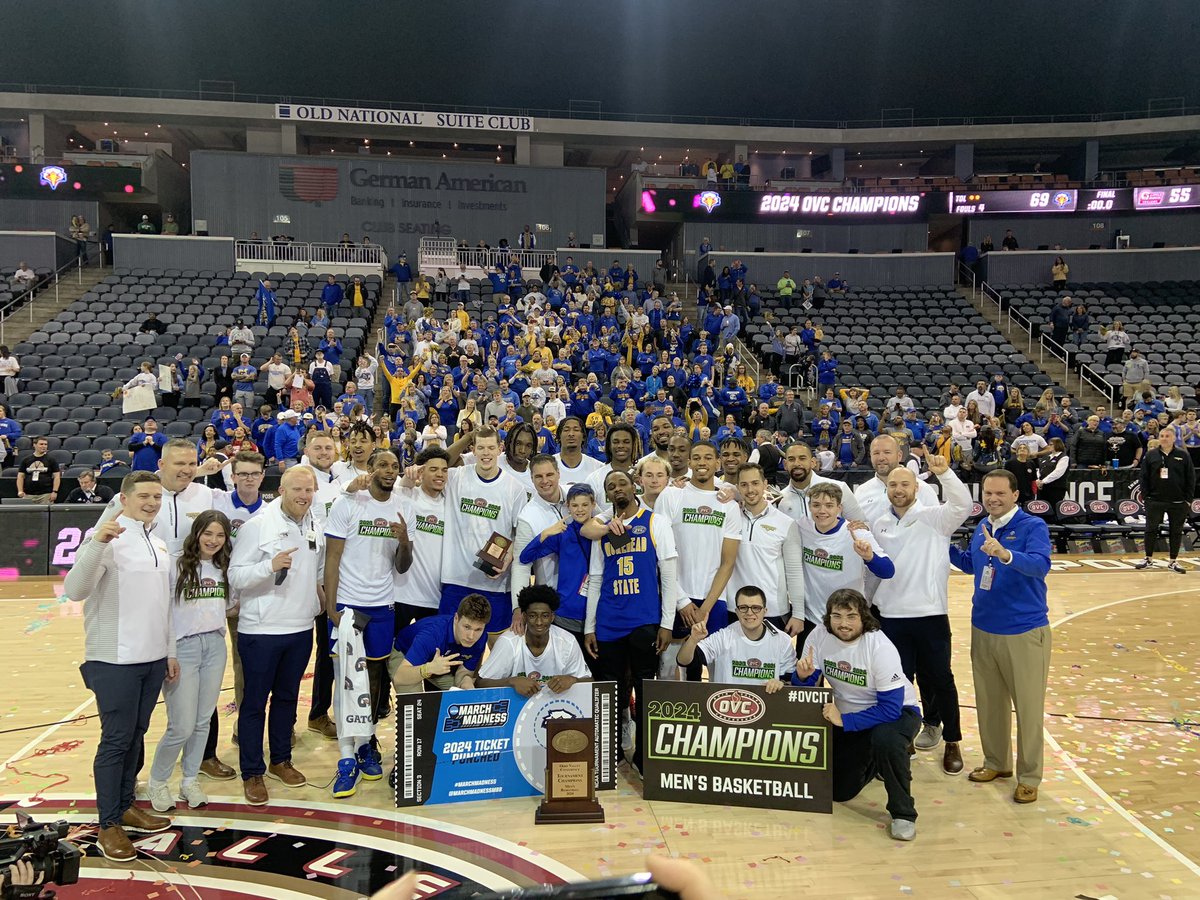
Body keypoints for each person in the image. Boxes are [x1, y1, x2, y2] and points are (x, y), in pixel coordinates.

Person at [63, 472, 176, 861]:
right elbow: (75, 590)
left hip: (152, 658)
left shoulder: (158, 541)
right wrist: (97, 542)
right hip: (113, 659)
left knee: (136, 734)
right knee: (115, 740)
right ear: (124, 499)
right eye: (144, 495)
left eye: (157, 497)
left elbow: (165, 605)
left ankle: (126, 803)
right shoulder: (105, 537)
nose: (151, 502)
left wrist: (169, 650)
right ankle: (108, 823)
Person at [949, 469, 1051, 804]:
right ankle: (997, 762)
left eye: (1000, 494)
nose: (992, 499)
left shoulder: (1031, 526)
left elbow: (1040, 565)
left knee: (1028, 708)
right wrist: (941, 545)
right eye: (988, 494)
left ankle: (1030, 776)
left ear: (1015, 495)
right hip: (984, 627)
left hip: (1023, 630)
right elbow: (970, 565)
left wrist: (1006, 554)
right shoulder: (983, 528)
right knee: (990, 703)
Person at [869, 453, 971, 776]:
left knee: (942, 680)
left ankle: (952, 740)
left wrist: (946, 474)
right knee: (899, 682)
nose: (898, 489)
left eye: (905, 484)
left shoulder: (934, 518)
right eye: (893, 484)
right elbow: (873, 569)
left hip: (930, 615)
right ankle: (905, 738)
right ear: (887, 488)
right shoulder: (879, 522)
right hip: (891, 617)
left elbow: (963, 506)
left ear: (916, 487)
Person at [228, 466, 324, 806]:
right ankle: (252, 772)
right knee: (254, 704)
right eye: (297, 489)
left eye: (309, 490)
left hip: (300, 628)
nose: (303, 495)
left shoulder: (314, 524)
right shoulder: (257, 527)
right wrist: (268, 567)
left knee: (287, 699)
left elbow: (317, 570)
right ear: (281, 489)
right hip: (261, 631)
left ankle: (281, 760)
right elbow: (236, 577)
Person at [794, 589, 921, 841]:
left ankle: (903, 814)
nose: (843, 623)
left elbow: (890, 709)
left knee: (886, 739)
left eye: (851, 616)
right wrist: (802, 677)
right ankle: (876, 761)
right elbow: (807, 688)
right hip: (851, 715)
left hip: (897, 712)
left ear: (863, 617)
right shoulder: (819, 635)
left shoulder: (880, 646)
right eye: (837, 616)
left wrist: (846, 721)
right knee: (839, 791)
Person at [324, 448, 411, 799]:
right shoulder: (349, 503)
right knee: (345, 678)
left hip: (383, 606)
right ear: (370, 469)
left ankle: (364, 745)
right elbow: (332, 557)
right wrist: (331, 608)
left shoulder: (402, 506)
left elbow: (403, 566)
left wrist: (404, 539)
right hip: (348, 604)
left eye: (394, 466)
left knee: (374, 685)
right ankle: (346, 758)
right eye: (383, 465)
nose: (389, 471)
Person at [585, 469, 680, 773]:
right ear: (607, 494)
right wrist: (590, 626)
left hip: (644, 621)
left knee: (644, 688)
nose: (617, 489)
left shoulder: (655, 521)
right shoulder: (600, 527)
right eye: (611, 486)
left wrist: (666, 623)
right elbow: (596, 579)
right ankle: (610, 752)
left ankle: (644, 755)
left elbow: (668, 575)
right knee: (611, 691)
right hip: (609, 621)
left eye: (622, 483)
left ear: (634, 485)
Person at [145, 511, 234, 813]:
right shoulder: (177, 564)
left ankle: (190, 780)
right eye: (208, 533)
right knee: (180, 725)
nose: (213, 540)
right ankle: (158, 782)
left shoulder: (224, 567)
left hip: (214, 645)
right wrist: (169, 652)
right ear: (197, 533)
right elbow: (165, 612)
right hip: (182, 648)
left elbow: (230, 604)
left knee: (201, 722)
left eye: (220, 535)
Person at [655, 442, 743, 680]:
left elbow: (728, 562)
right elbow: (662, 553)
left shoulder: (729, 505)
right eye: (696, 458)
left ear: (718, 463)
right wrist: (682, 600)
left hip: (714, 599)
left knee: (717, 668)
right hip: (676, 595)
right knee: (668, 666)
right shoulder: (672, 495)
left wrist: (706, 608)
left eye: (707, 458)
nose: (702, 462)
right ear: (690, 463)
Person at [438, 427, 528, 639]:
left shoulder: (515, 488)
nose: (486, 453)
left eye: (490, 447)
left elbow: (520, 534)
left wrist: (508, 557)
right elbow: (441, 461)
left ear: (500, 449)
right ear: (473, 450)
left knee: (495, 646)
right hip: (456, 579)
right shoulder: (455, 477)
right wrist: (467, 436)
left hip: (495, 583)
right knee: (451, 641)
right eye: (480, 447)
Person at [727, 463, 805, 643]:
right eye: (744, 485)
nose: (750, 489)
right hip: (734, 608)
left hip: (773, 610)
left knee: (773, 669)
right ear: (738, 487)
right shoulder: (730, 518)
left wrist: (799, 613)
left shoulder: (786, 523)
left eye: (755, 483)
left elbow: (794, 571)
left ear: (765, 484)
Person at [477, 584, 591, 693]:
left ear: (552, 617)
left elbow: (590, 682)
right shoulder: (508, 642)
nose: (539, 622)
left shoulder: (568, 641)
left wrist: (573, 680)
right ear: (524, 617)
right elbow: (480, 682)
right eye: (532, 616)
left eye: (545, 616)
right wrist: (511, 681)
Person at [677, 585, 796, 689]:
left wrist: (781, 683)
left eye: (756, 608)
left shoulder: (782, 640)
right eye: (743, 608)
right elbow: (683, 661)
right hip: (725, 709)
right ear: (736, 611)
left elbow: (790, 681)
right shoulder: (724, 637)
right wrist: (693, 640)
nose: (749, 613)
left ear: (765, 611)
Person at [1134, 426, 1195, 574]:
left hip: (1178, 501)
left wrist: (1187, 499)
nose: (1164, 438)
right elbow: (1143, 477)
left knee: (1176, 531)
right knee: (1150, 529)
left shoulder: (1183, 455)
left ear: (1174, 438)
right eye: (1162, 436)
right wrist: (1146, 497)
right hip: (1155, 500)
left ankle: (1173, 561)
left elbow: (1191, 478)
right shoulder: (1151, 455)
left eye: (1167, 436)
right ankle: (1148, 558)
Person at [16, 437, 60, 504]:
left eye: (45, 444)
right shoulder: (26, 460)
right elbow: (20, 476)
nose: (44, 446)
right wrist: (20, 491)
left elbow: (57, 476)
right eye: (41, 444)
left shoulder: (51, 460)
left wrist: (55, 492)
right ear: (34, 445)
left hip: (45, 495)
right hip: (28, 494)